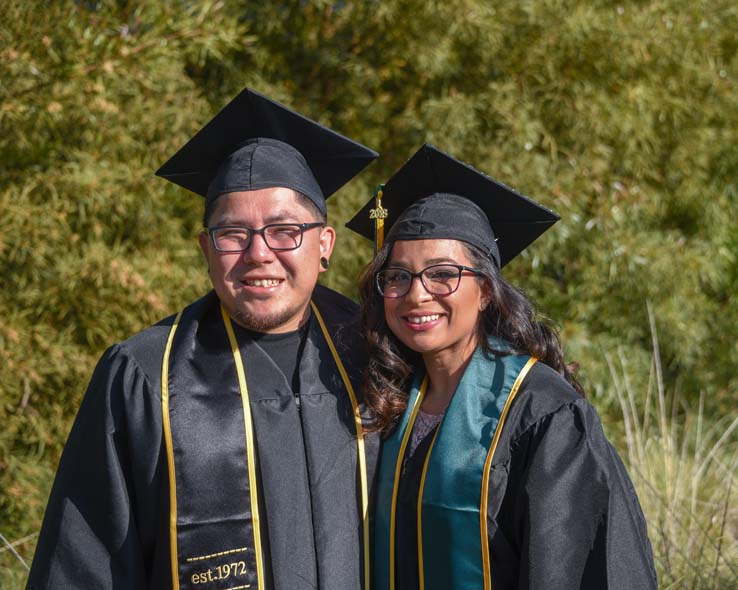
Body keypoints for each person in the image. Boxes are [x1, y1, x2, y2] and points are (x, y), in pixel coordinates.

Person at [28, 88, 379, 590]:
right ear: (206, 249)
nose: (259, 253)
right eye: (233, 234)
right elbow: (84, 567)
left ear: (324, 244)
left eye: (284, 231)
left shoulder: (378, 353)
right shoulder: (145, 374)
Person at [347, 144, 658, 590]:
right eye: (398, 276)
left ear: (487, 291)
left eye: (442, 274)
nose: (416, 294)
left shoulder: (544, 413)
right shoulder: (389, 402)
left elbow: (572, 570)